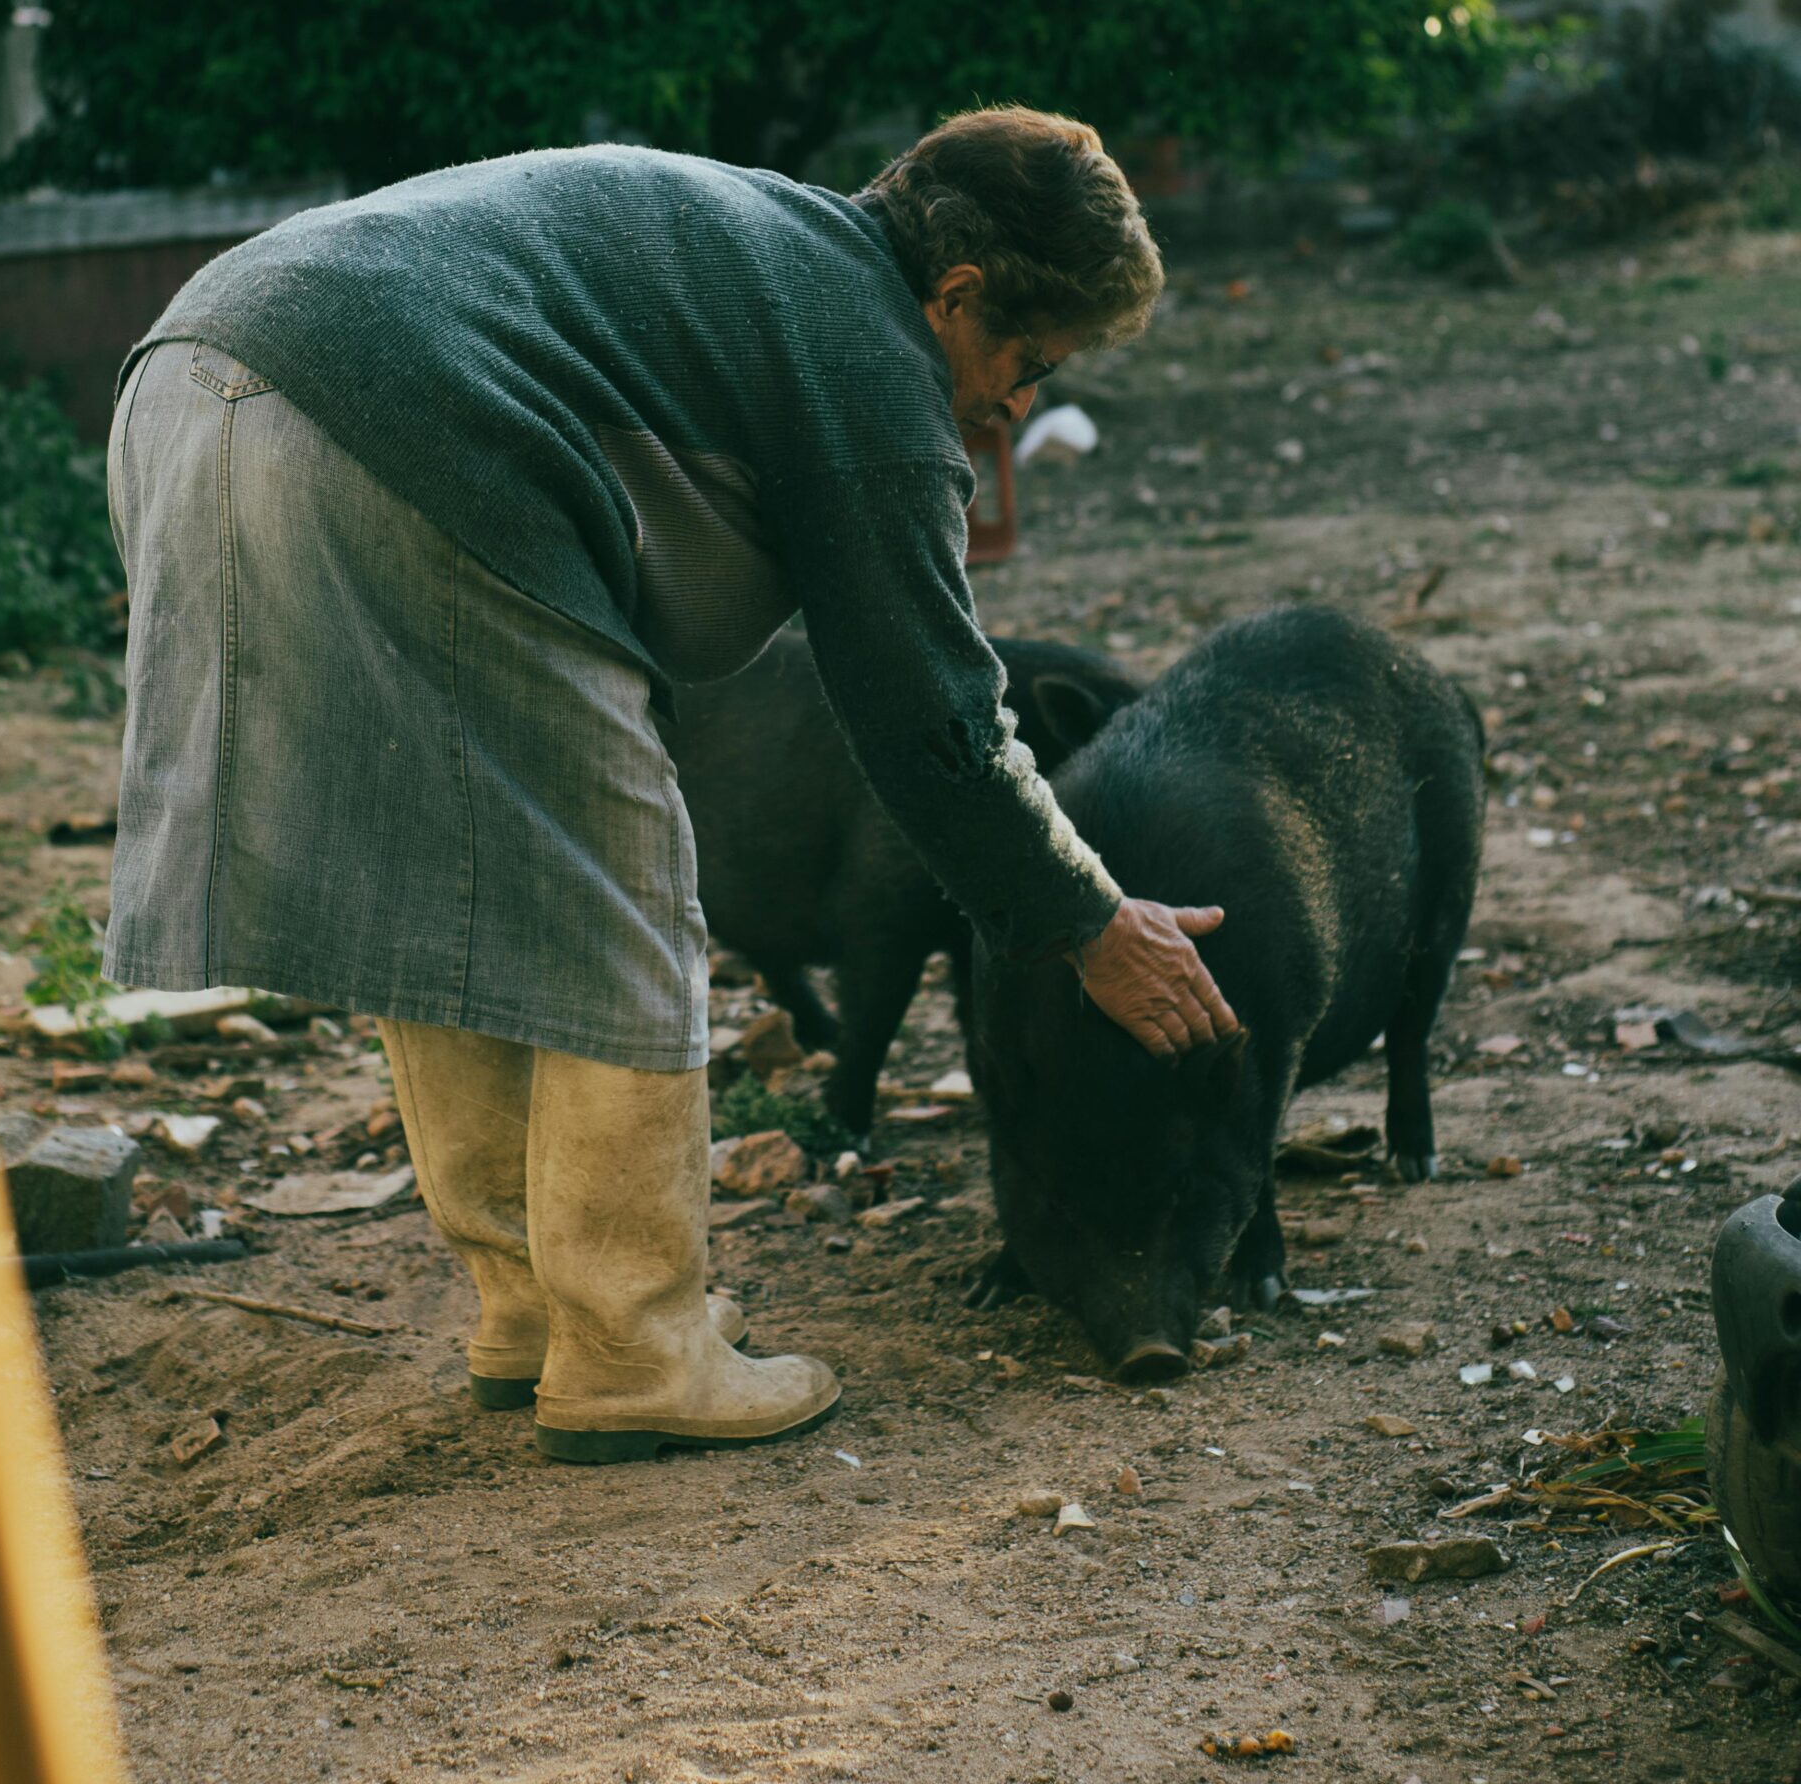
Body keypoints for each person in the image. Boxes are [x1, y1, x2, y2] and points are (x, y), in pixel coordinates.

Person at [103, 107, 1236, 1464]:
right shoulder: (871, 357)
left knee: (453, 867)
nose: (1014, 405)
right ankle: (636, 1345)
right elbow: (930, 713)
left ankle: (533, 1315)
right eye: (1025, 359)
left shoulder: (765, 244)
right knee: (618, 888)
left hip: (197, 379)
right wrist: (1087, 921)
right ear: (958, 295)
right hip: (398, 419)